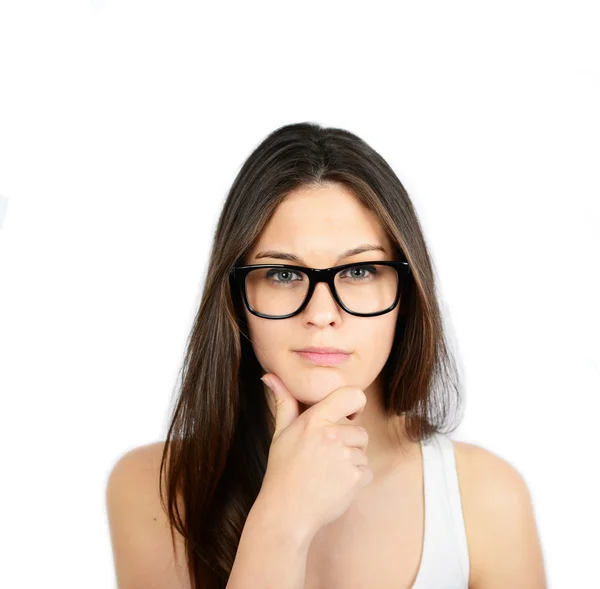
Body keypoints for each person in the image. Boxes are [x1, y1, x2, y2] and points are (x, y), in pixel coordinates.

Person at [106, 122, 547, 589]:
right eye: (281, 274)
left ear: (408, 293)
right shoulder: (152, 489)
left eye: (358, 270)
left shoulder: (485, 498)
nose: (321, 313)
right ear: (234, 297)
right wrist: (280, 520)